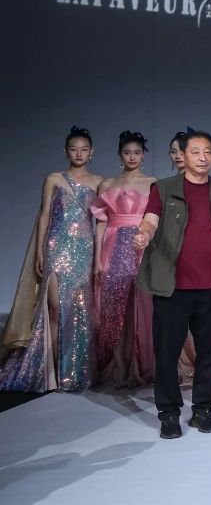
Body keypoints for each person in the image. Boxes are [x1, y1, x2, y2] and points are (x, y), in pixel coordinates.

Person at [132, 130, 211, 438]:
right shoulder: (164, 188)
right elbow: (151, 218)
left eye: (208, 152)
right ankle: (169, 413)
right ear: (183, 156)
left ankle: (203, 409)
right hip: (172, 287)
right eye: (196, 152)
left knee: (210, 354)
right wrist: (144, 233)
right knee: (167, 352)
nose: (203, 158)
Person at [0, 127, 102, 393]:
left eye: (84, 149)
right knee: (55, 309)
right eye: (73, 149)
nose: (78, 154)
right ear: (65, 152)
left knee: (80, 311)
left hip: (84, 250)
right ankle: (54, 372)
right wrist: (39, 252)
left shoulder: (98, 183)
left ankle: (76, 370)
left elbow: (101, 221)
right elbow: (45, 214)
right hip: (56, 248)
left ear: (91, 152)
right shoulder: (54, 179)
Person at [92, 131, 155, 387]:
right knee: (115, 306)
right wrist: (97, 259)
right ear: (120, 154)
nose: (132, 157)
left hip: (141, 245)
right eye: (127, 152)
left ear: (143, 155)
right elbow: (100, 223)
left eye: (137, 153)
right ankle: (118, 363)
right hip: (112, 245)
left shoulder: (153, 183)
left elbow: (155, 221)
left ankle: (142, 363)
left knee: (143, 306)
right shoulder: (107, 184)